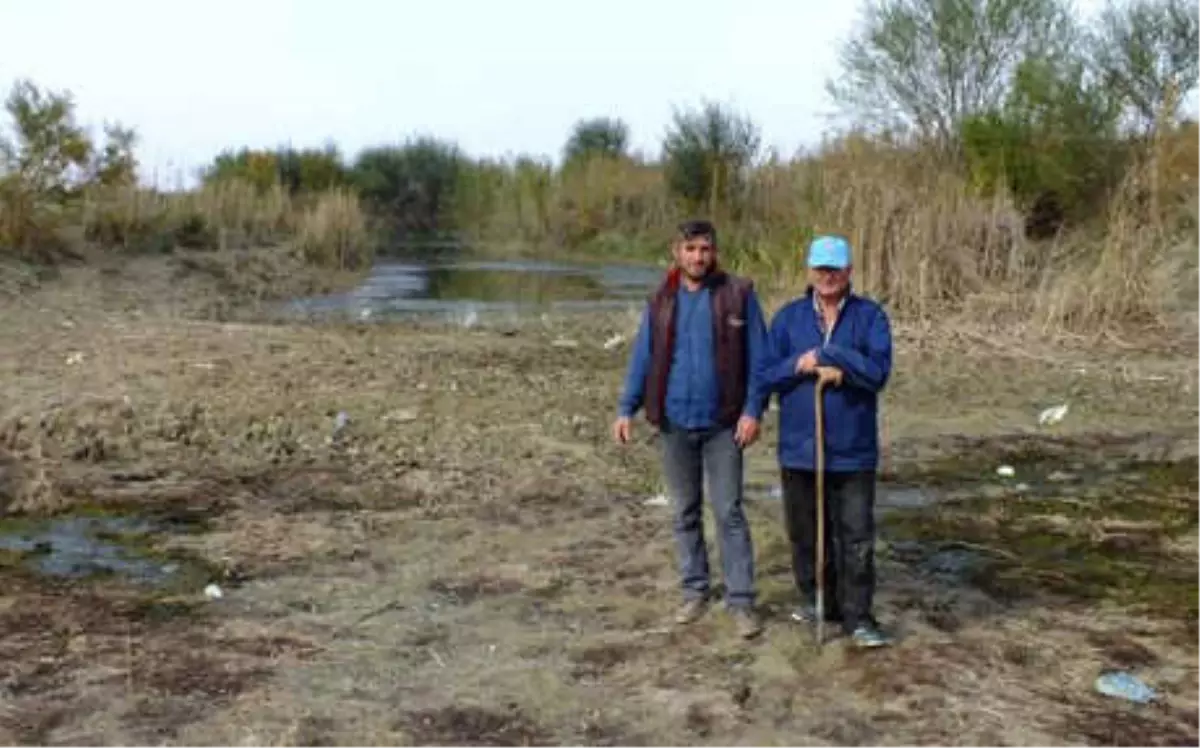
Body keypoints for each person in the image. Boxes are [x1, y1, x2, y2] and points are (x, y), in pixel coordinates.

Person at [613, 219, 770, 640]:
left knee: (729, 512)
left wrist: (753, 411)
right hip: (674, 423)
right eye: (690, 249)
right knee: (683, 512)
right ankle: (695, 591)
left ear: (714, 252)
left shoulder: (738, 294)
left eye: (705, 249)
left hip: (725, 425)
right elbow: (643, 356)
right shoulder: (661, 300)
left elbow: (761, 359)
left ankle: (741, 602)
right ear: (676, 252)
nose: (698, 256)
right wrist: (626, 407)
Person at [758, 234, 893, 648]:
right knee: (805, 533)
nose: (828, 276)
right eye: (821, 268)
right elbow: (765, 374)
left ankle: (859, 618)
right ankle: (818, 601)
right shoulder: (788, 318)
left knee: (855, 536)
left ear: (849, 271)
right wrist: (800, 364)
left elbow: (877, 372)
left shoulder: (870, 317)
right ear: (809, 271)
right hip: (800, 449)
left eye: (835, 268)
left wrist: (835, 361)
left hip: (852, 452)